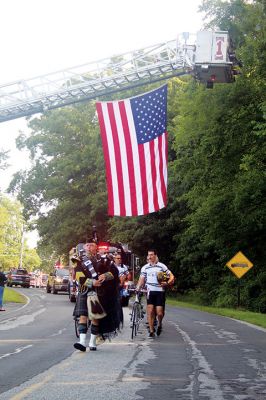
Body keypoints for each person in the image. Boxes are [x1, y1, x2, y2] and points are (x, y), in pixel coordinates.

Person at [72, 238, 120, 352]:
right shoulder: (76, 259)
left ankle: (92, 342)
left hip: (99, 291)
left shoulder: (104, 259)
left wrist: (105, 276)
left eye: (91, 245)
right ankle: (82, 342)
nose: (89, 247)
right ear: (84, 247)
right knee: (83, 316)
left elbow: (114, 272)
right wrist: (91, 282)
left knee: (95, 317)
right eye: (87, 245)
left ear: (96, 247)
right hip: (85, 289)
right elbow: (78, 275)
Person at [136, 249, 175, 338]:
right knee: (150, 311)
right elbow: (142, 279)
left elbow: (171, 276)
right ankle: (151, 330)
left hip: (160, 291)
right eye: (148, 255)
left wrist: (167, 283)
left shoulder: (161, 266)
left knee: (159, 313)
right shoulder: (145, 267)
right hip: (150, 291)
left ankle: (160, 324)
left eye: (151, 254)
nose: (149, 256)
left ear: (155, 255)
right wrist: (138, 287)